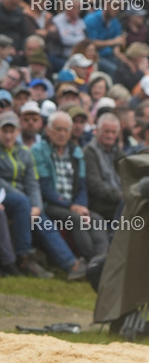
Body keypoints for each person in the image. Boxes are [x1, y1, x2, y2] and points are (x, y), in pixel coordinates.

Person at [0, 110, 86, 279]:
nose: (8, 135)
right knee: (21, 203)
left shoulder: (24, 152)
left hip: (24, 203)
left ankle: (70, 265)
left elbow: (33, 183)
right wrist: (26, 202)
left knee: (42, 220)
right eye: (4, 131)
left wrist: (37, 206)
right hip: (6, 198)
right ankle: (24, 255)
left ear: (18, 132)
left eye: (12, 131)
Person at [31, 110, 108, 260]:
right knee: (76, 219)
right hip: (50, 204)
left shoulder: (76, 152)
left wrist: (82, 207)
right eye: (58, 129)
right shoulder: (38, 150)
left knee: (96, 219)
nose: (62, 134)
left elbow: (82, 187)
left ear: (70, 132)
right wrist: (71, 206)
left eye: (65, 130)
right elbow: (44, 188)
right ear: (48, 130)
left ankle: (102, 260)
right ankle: (90, 259)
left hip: (73, 204)